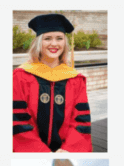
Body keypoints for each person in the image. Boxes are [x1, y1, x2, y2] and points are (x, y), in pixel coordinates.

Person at [13, 14, 92, 152]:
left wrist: (68, 150)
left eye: (59, 38)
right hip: (32, 152)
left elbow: (81, 121)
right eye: (47, 38)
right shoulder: (21, 76)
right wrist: (43, 153)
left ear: (64, 43)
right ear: (39, 43)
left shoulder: (75, 79)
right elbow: (17, 119)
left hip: (65, 151)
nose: (54, 44)